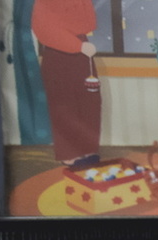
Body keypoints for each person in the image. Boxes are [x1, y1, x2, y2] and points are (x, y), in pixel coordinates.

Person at [31, 0, 102, 169]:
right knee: (64, 106)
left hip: (83, 54)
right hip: (59, 56)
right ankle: (69, 152)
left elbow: (89, 23)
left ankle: (88, 148)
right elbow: (45, 30)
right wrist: (77, 45)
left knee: (89, 103)